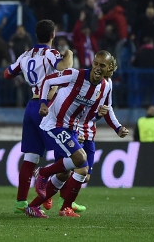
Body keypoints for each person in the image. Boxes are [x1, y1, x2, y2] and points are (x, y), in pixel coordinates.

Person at [25, 50, 113, 218]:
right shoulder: (75, 75)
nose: (97, 68)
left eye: (102, 65)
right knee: (81, 159)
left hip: (71, 128)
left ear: (109, 68)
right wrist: (43, 103)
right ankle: (43, 173)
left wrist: (98, 116)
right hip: (55, 123)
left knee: (78, 170)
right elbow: (48, 80)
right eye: (95, 63)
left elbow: (88, 113)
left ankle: (34, 206)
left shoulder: (103, 87)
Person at [3, 19, 73, 214]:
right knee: (66, 153)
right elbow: (63, 67)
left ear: (36, 35)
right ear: (53, 35)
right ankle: (64, 202)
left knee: (31, 156)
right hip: (48, 106)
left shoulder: (25, 55)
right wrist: (69, 53)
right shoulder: (51, 53)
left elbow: (7, 73)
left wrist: (24, 73)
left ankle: (20, 202)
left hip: (31, 105)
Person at [49, 56, 129, 214]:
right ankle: (55, 197)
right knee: (65, 171)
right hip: (72, 128)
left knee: (85, 175)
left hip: (89, 131)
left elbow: (107, 108)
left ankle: (62, 200)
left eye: (105, 66)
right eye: (97, 64)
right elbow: (78, 105)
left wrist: (117, 127)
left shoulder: (107, 85)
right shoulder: (82, 79)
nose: (100, 69)